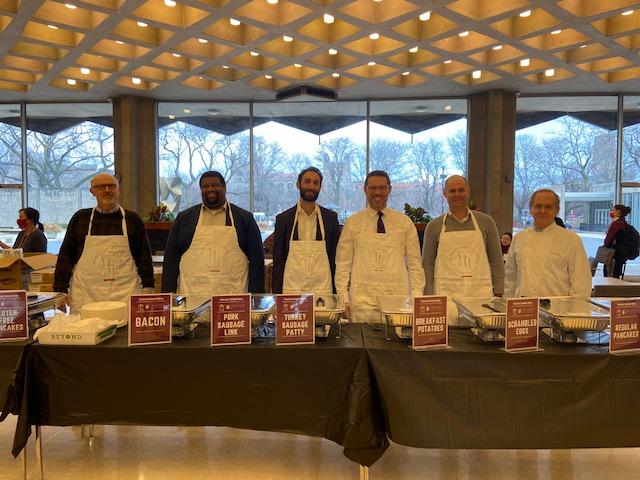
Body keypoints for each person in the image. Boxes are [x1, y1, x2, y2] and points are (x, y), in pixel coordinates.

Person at [53, 173, 155, 311]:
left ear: (118, 190)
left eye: (112, 186)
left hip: (124, 294)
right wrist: (60, 290)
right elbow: (66, 255)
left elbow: (144, 257)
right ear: (92, 192)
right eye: (101, 187)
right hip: (86, 296)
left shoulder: (132, 219)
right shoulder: (80, 218)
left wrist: (148, 287)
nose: (107, 190)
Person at [334, 170, 425, 323]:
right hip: (362, 302)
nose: (377, 192)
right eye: (372, 188)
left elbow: (415, 264)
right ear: (365, 190)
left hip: (398, 301)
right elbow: (343, 264)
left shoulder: (404, 223)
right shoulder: (353, 223)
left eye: (382, 188)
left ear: (389, 189)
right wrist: (343, 298)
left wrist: (416, 298)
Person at [162, 171, 264, 295]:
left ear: (224, 187)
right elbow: (171, 259)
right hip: (193, 297)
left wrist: (256, 296)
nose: (210, 189)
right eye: (205, 187)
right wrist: (168, 293)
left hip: (233, 297)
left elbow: (256, 260)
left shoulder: (244, 218)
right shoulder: (184, 219)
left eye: (215, 185)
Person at [422, 175, 504, 324]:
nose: (457, 194)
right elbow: (427, 263)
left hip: (480, 295)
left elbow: (496, 259)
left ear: (468, 191)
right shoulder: (434, 225)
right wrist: (428, 296)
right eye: (452, 191)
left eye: (461, 190)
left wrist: (498, 291)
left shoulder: (486, 222)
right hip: (446, 296)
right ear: (445, 194)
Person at [505, 189, 592, 298]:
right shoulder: (519, 238)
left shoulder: (571, 240)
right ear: (531, 209)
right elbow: (510, 279)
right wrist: (507, 305)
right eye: (538, 206)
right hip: (522, 308)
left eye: (548, 207)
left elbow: (581, 283)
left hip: (558, 310)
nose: (542, 211)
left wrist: (575, 310)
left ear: (557, 210)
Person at [272, 167, 340, 296]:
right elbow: (278, 262)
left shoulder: (330, 219)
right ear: (298, 184)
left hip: (323, 290)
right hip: (292, 290)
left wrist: (338, 296)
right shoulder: (284, 219)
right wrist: (277, 297)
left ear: (320, 187)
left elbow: (335, 260)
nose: (311, 186)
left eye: (316, 183)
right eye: (307, 181)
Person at [603, 204, 632, 278]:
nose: (611, 212)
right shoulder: (623, 222)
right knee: (616, 273)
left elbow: (609, 238)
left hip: (614, 253)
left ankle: (610, 288)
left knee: (610, 273)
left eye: (613, 210)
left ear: (618, 211)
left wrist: (604, 247)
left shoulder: (617, 223)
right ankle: (616, 288)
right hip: (620, 252)